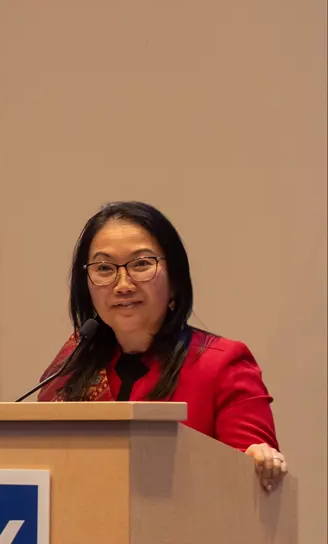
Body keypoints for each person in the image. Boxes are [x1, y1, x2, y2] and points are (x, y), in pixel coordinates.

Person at [39, 201, 288, 491]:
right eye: (104, 268)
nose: (123, 284)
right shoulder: (73, 363)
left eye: (141, 264)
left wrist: (258, 460)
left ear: (175, 280)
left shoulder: (222, 364)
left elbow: (250, 479)